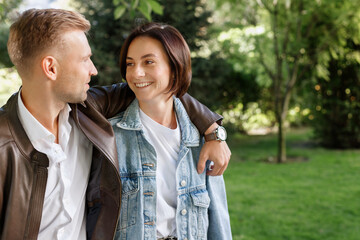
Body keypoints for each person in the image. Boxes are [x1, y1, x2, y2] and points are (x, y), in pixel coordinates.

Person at [0, 9, 230, 240]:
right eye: (84, 59)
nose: (94, 69)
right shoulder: (4, 143)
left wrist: (213, 130)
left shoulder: (87, 113)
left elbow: (161, 89)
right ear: (51, 68)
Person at [110, 22, 232, 240]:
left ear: (175, 68)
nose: (136, 73)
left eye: (148, 62)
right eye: (130, 64)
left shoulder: (203, 139)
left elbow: (218, 219)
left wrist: (214, 133)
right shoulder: (111, 135)